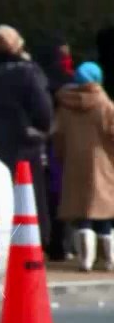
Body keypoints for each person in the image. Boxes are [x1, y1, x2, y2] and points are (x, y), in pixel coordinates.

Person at [0, 25, 54, 247]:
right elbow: (43, 109)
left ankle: (0, 239)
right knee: (28, 193)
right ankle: (33, 240)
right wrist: (42, 130)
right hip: (23, 140)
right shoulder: (28, 71)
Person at [52, 62, 114, 272]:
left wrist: (61, 156)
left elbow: (58, 134)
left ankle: (85, 260)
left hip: (74, 162)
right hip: (102, 162)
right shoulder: (104, 104)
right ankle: (109, 260)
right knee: (104, 211)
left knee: (82, 212)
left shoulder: (65, 104)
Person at [32, 33, 77, 260]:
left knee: (46, 194)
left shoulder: (38, 79)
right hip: (59, 145)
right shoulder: (69, 84)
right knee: (60, 194)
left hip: (42, 144)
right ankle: (62, 245)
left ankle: (49, 241)